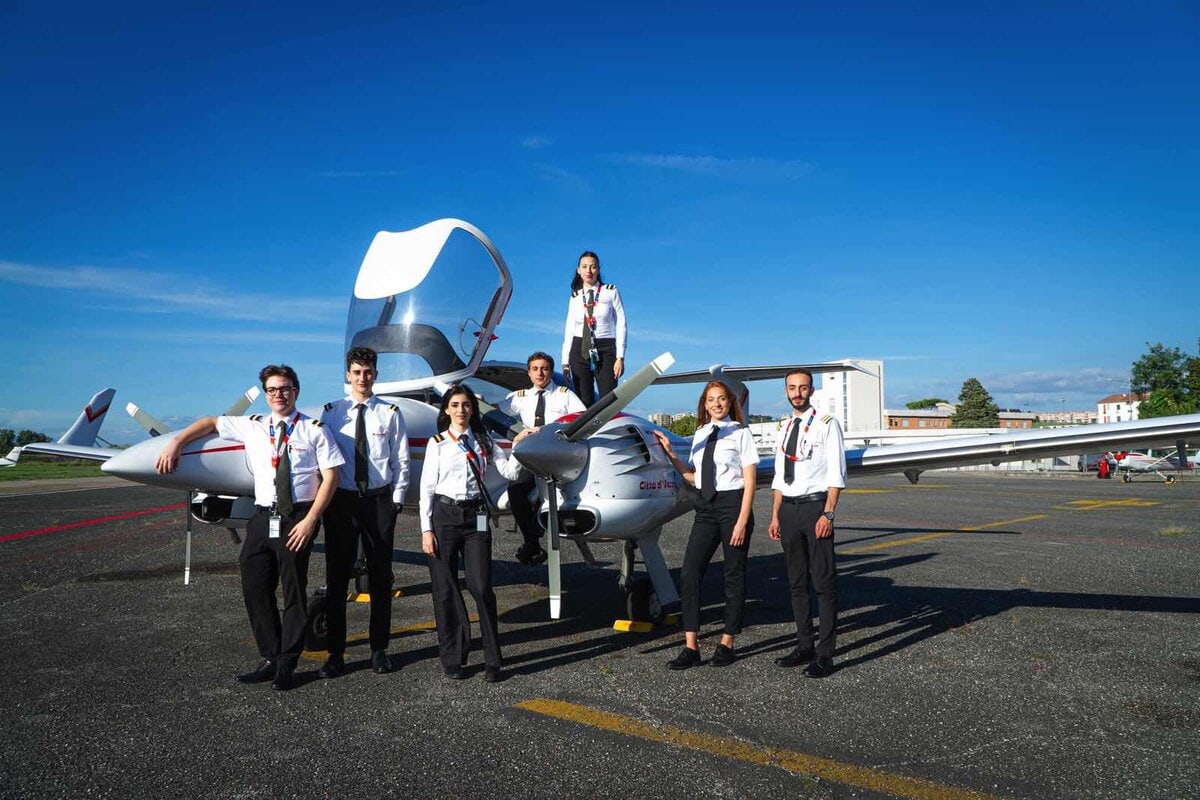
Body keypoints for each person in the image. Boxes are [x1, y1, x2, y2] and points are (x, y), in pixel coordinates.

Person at [155, 364, 344, 691]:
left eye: (285, 388)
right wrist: (177, 442)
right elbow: (210, 422)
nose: (279, 395)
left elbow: (331, 478)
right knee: (255, 586)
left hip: (296, 518)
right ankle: (270, 656)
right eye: (272, 390)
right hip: (261, 518)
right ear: (266, 394)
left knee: (294, 591)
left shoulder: (315, 429)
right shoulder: (254, 425)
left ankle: (287, 663)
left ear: (296, 391)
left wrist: (311, 520)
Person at [419, 384, 532, 682]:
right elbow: (426, 491)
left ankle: (493, 660)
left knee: (481, 587)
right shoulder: (438, 443)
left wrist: (519, 445)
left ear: (473, 409)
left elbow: (508, 473)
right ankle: (453, 657)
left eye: (466, 405)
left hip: (477, 517)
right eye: (455, 405)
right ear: (446, 410)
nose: (461, 410)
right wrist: (426, 529)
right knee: (445, 591)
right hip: (444, 516)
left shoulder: (483, 440)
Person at [317, 347, 409, 678]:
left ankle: (379, 649)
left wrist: (396, 501)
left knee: (381, 577)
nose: (362, 377)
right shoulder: (331, 413)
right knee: (337, 577)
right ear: (347, 375)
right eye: (356, 372)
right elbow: (321, 457)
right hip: (342, 502)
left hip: (378, 502)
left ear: (376, 374)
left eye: (368, 371)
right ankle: (335, 653)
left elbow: (400, 460)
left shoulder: (390, 413)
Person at [653, 381, 759, 669]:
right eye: (711, 399)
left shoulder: (741, 433)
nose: (717, 404)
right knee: (689, 572)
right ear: (704, 404)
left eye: (722, 399)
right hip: (705, 507)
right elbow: (694, 477)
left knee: (733, 574)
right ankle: (691, 646)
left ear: (729, 402)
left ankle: (727, 642)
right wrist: (672, 455)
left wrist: (742, 519)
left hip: (733, 505)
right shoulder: (700, 433)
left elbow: (750, 481)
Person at [768, 368, 846, 678]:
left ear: (811, 391)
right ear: (785, 391)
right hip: (788, 510)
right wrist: (775, 514)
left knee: (823, 583)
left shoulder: (827, 425)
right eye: (792, 387)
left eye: (802, 387)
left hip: (815, 509)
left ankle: (826, 653)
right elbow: (778, 476)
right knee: (796, 583)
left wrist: (828, 514)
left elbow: (836, 474)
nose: (797, 392)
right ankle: (804, 646)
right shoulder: (784, 426)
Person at [498, 351, 585, 565]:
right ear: (529, 373)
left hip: (557, 456)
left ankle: (533, 540)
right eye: (535, 369)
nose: (540, 373)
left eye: (544, 368)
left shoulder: (564, 395)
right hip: (531, 455)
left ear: (550, 372)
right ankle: (532, 540)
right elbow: (496, 411)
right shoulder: (520, 397)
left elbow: (581, 417)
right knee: (515, 491)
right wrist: (477, 400)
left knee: (544, 497)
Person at [562, 250, 627, 406]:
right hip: (579, 348)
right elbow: (569, 330)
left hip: (606, 348)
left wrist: (620, 357)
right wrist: (565, 362)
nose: (588, 271)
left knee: (607, 400)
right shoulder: (575, 297)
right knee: (584, 402)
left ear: (598, 269)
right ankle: (588, 431)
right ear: (578, 270)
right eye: (584, 267)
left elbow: (621, 323)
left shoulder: (611, 291)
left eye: (593, 267)